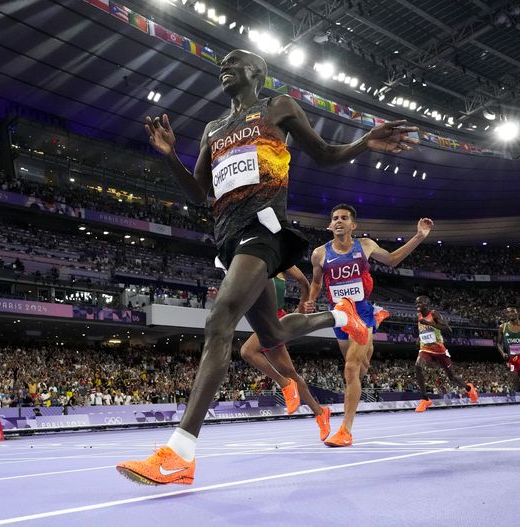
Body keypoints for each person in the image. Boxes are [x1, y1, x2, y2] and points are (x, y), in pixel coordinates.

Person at [116, 49, 418, 486]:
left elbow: (326, 153)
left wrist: (363, 142)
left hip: (265, 230)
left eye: (234, 61)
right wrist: (169, 155)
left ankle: (180, 452)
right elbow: (199, 192)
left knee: (219, 319)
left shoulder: (277, 107)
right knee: (272, 334)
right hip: (228, 237)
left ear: (257, 72)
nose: (224, 66)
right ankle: (341, 315)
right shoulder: (213, 129)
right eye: (221, 63)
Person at [306, 204, 432, 447]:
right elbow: (316, 282)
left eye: (344, 218)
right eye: (335, 218)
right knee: (361, 368)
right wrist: (311, 300)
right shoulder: (319, 254)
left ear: (353, 225)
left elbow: (393, 260)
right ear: (330, 225)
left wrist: (419, 236)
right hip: (340, 315)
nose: (339, 221)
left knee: (351, 369)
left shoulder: (364, 245)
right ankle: (374, 329)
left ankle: (346, 430)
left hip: (361, 312)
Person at [208, 266, 333, 440]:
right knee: (290, 372)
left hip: (276, 321)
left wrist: (302, 307)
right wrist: (220, 297)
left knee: (247, 351)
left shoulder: (279, 260)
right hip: (262, 323)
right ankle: (320, 413)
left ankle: (285, 385)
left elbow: (304, 282)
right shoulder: (244, 269)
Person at [413, 295, 478, 412]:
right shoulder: (418, 316)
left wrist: (430, 324)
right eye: (416, 303)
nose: (417, 305)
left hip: (439, 350)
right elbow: (424, 330)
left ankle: (469, 388)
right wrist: (419, 338)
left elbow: (448, 329)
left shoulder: (434, 314)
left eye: (420, 303)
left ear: (427, 304)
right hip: (425, 348)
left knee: (452, 377)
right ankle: (425, 399)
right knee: (418, 366)